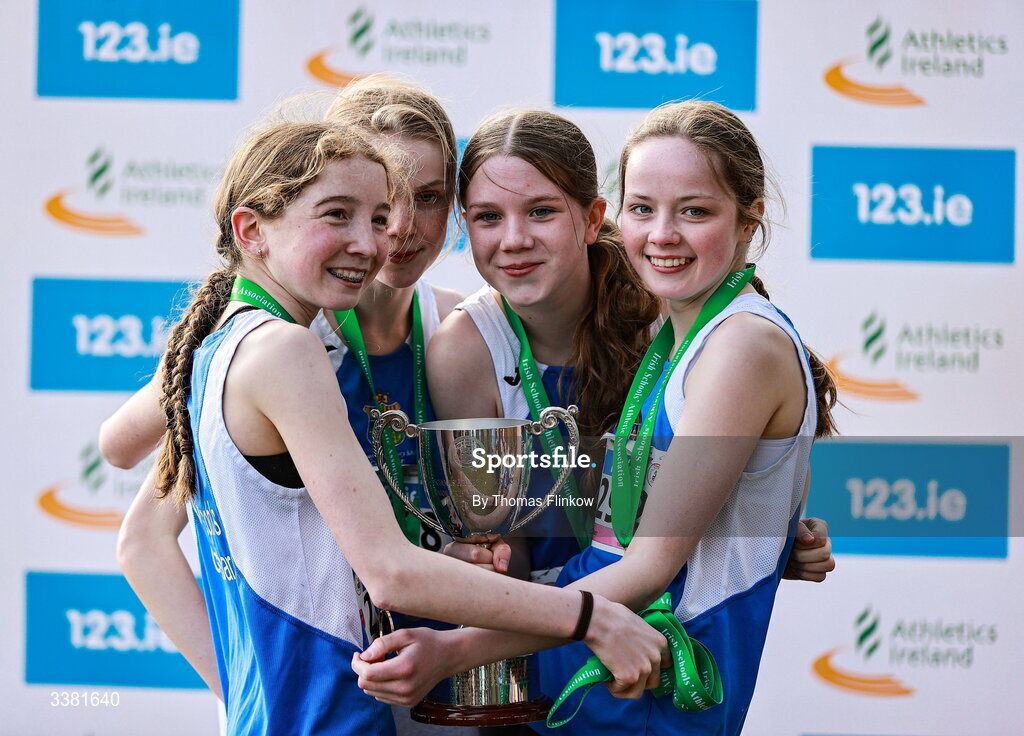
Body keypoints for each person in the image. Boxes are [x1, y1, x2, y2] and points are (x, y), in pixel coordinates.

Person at [109, 116, 665, 736]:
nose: (375, 241)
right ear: (252, 229)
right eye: (337, 214)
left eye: (379, 217)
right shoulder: (286, 351)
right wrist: (590, 616)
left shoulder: (220, 348)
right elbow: (390, 571)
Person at [353, 104, 838, 735]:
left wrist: (763, 531)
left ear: (591, 218)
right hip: (561, 672)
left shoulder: (698, 328)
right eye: (489, 218)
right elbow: (606, 525)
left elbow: (654, 556)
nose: (664, 233)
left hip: (644, 675)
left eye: (695, 210)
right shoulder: (678, 328)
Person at [102, 75, 474, 736]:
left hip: (446, 691)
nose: (402, 227)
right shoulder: (276, 336)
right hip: (327, 704)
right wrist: (252, 690)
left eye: (429, 197)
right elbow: (134, 503)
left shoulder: (459, 326)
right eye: (382, 200)